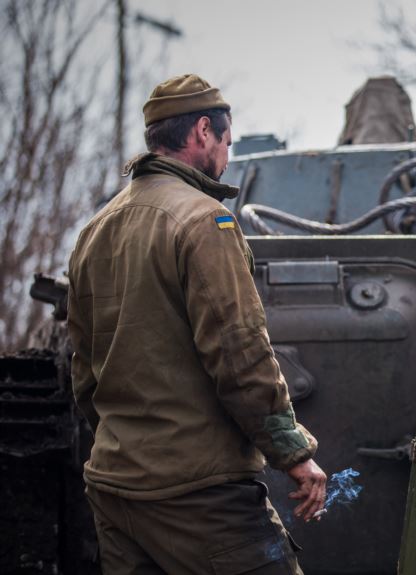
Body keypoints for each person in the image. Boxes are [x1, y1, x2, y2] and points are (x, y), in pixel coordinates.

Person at [67, 74, 327, 574]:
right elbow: (240, 355)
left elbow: (84, 371)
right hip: (198, 498)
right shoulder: (206, 222)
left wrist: (126, 447)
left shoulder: (94, 231)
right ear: (204, 131)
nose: (227, 156)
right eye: (227, 142)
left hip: (115, 488)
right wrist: (294, 454)